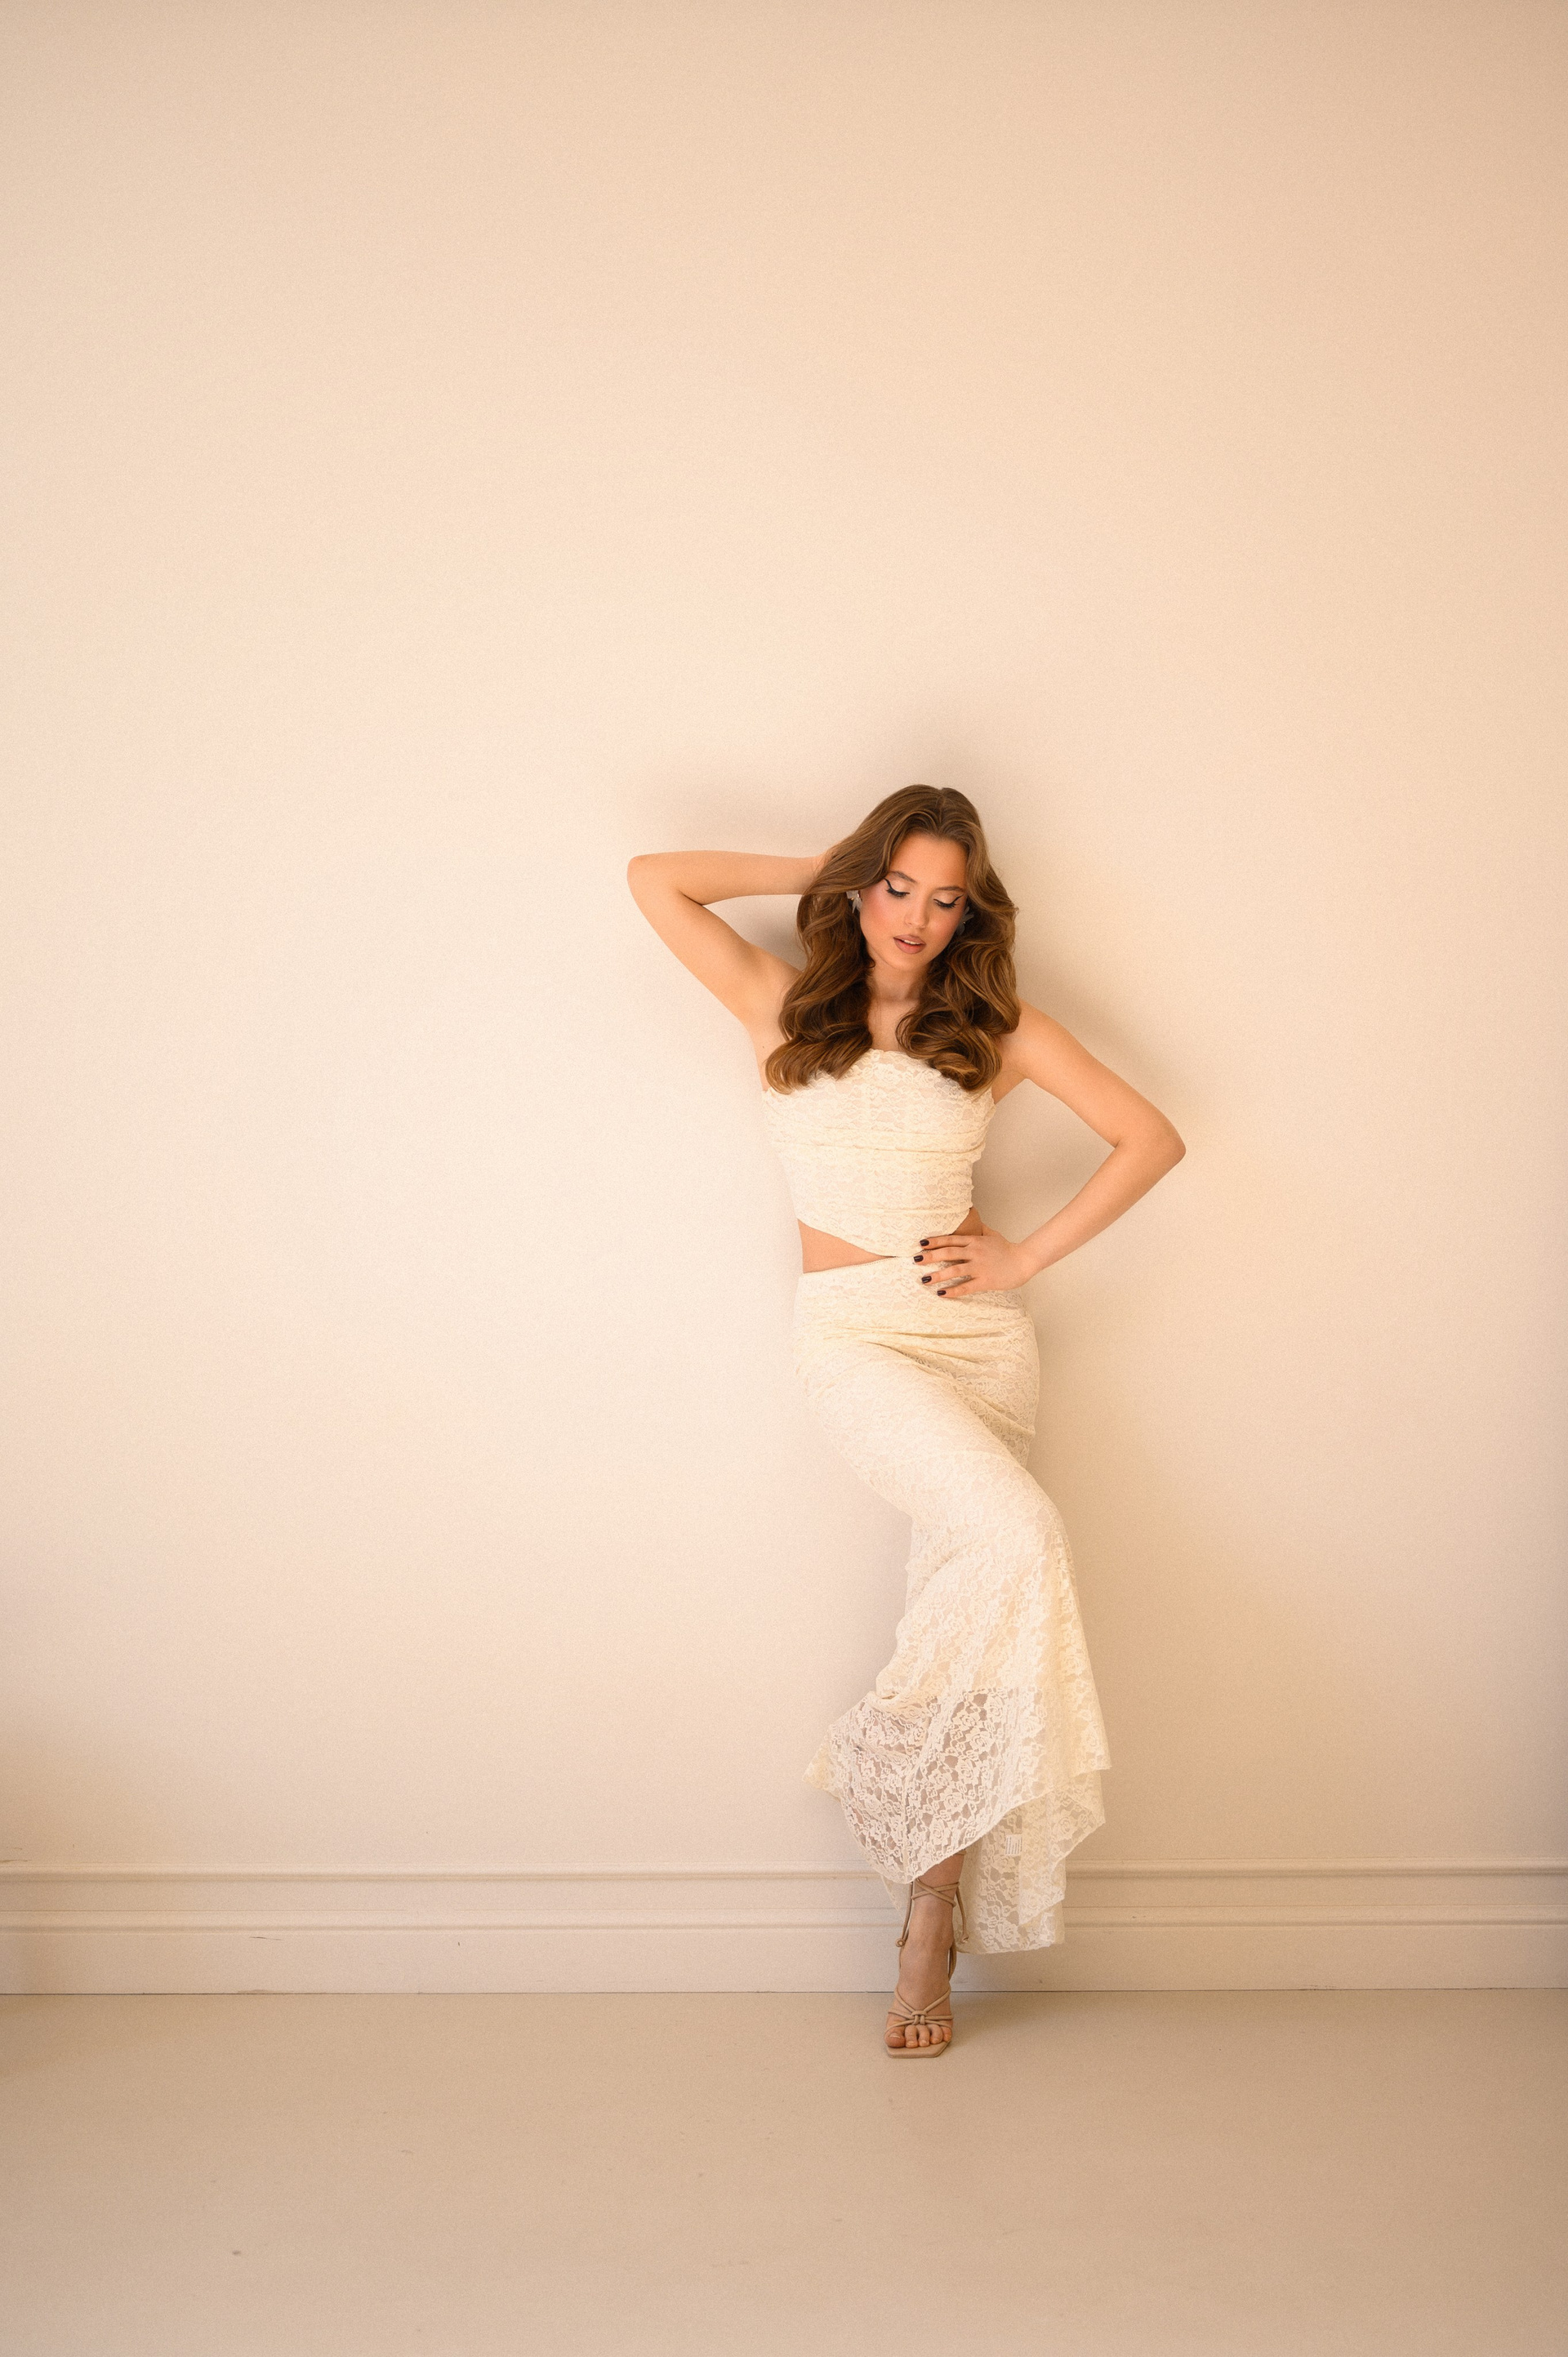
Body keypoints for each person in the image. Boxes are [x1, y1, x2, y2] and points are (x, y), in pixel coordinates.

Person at [626, 784, 1185, 2055]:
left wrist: (1024, 1255)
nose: (918, 918)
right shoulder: (780, 1004)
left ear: (970, 913)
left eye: (945, 899)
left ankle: (929, 1909)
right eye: (897, 887)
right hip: (853, 1336)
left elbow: (1149, 1137)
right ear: (864, 883)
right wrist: (825, 862)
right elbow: (655, 877)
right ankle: (893, 1785)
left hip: (977, 1340)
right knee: (1018, 1538)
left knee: (981, 1597)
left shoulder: (993, 1026)